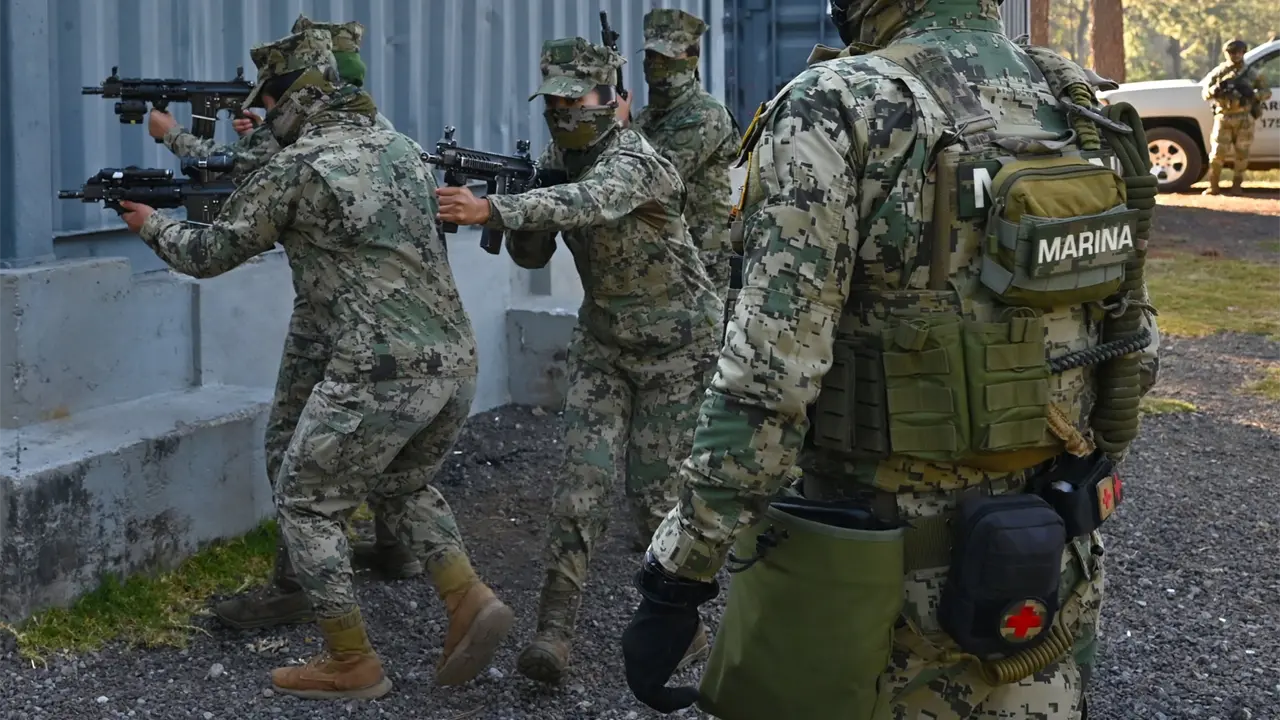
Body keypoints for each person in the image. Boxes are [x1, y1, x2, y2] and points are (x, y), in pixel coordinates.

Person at [619, 0, 1161, 718]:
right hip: (1046, 561)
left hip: (871, 581)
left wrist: (680, 573)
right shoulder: (1071, 100)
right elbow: (1133, 340)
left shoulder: (838, 103)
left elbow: (769, 377)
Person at [118, 28, 513, 699]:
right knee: (402, 483)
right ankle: (469, 601)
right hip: (454, 359)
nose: (266, 117)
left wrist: (149, 223)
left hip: (379, 368)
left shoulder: (298, 168)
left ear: (294, 98)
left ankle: (352, 663)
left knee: (305, 501)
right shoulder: (399, 146)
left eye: (270, 104)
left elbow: (210, 254)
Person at [435, 36, 721, 686]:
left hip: (677, 348)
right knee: (578, 490)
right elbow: (532, 256)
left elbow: (587, 203)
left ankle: (683, 628)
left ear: (612, 100)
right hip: (605, 341)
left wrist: (497, 206)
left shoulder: (636, 161)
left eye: (575, 102)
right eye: (554, 103)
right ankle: (552, 636)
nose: (563, 115)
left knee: (654, 500)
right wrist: (516, 212)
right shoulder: (563, 161)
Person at [148, 16, 423, 633]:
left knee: (291, 448)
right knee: (387, 438)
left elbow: (227, 176)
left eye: (271, 97)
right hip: (395, 312)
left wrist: (171, 140)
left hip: (329, 311)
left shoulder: (302, 143)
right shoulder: (379, 131)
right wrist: (262, 128)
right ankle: (398, 547)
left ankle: (298, 586)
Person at [620, 8, 738, 299]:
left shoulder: (707, 114)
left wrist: (620, 128)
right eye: (651, 57)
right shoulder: (646, 118)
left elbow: (659, 177)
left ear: (691, 61)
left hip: (702, 264)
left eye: (668, 58)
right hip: (655, 259)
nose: (657, 65)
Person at [1201, 39, 1272, 195]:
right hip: (1224, 117)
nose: (1236, 55)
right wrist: (1216, 90)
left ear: (1243, 53)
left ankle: (1237, 185)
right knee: (1217, 153)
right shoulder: (1219, 73)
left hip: (1244, 117)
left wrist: (1252, 95)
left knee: (1242, 153)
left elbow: (1267, 92)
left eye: (1239, 52)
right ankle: (1213, 185)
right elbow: (1205, 93)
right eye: (1232, 52)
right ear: (1226, 54)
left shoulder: (1252, 74)